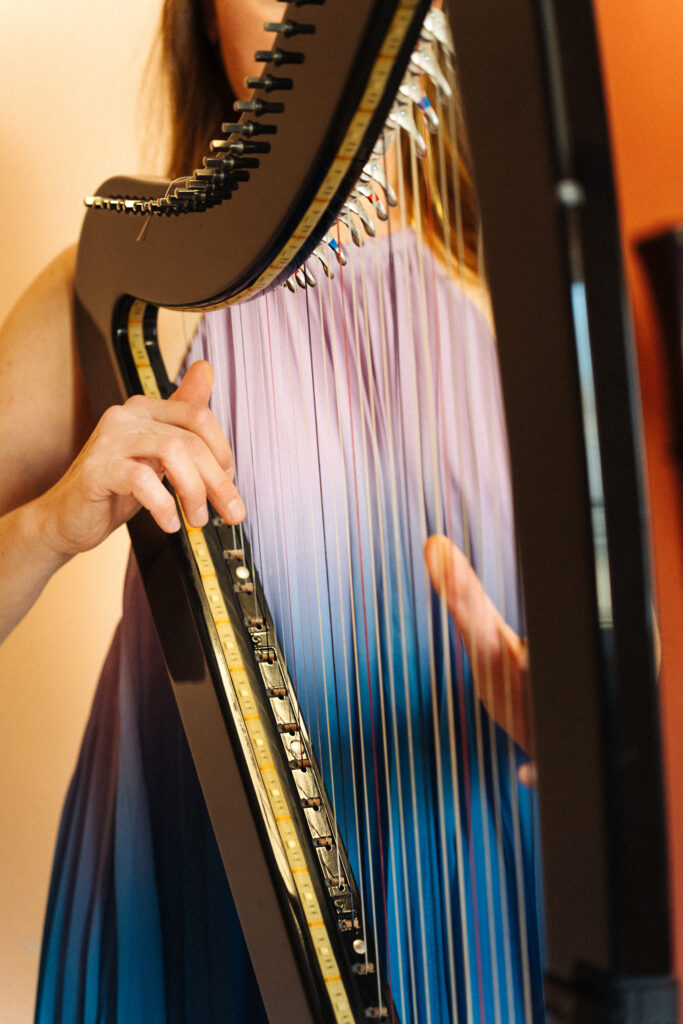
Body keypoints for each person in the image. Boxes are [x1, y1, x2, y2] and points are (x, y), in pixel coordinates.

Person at [0, 1, 539, 1020]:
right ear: (200, 18)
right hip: (192, 921)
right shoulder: (125, 299)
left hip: (484, 923)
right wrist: (50, 524)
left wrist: (572, 718)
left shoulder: (513, 301)